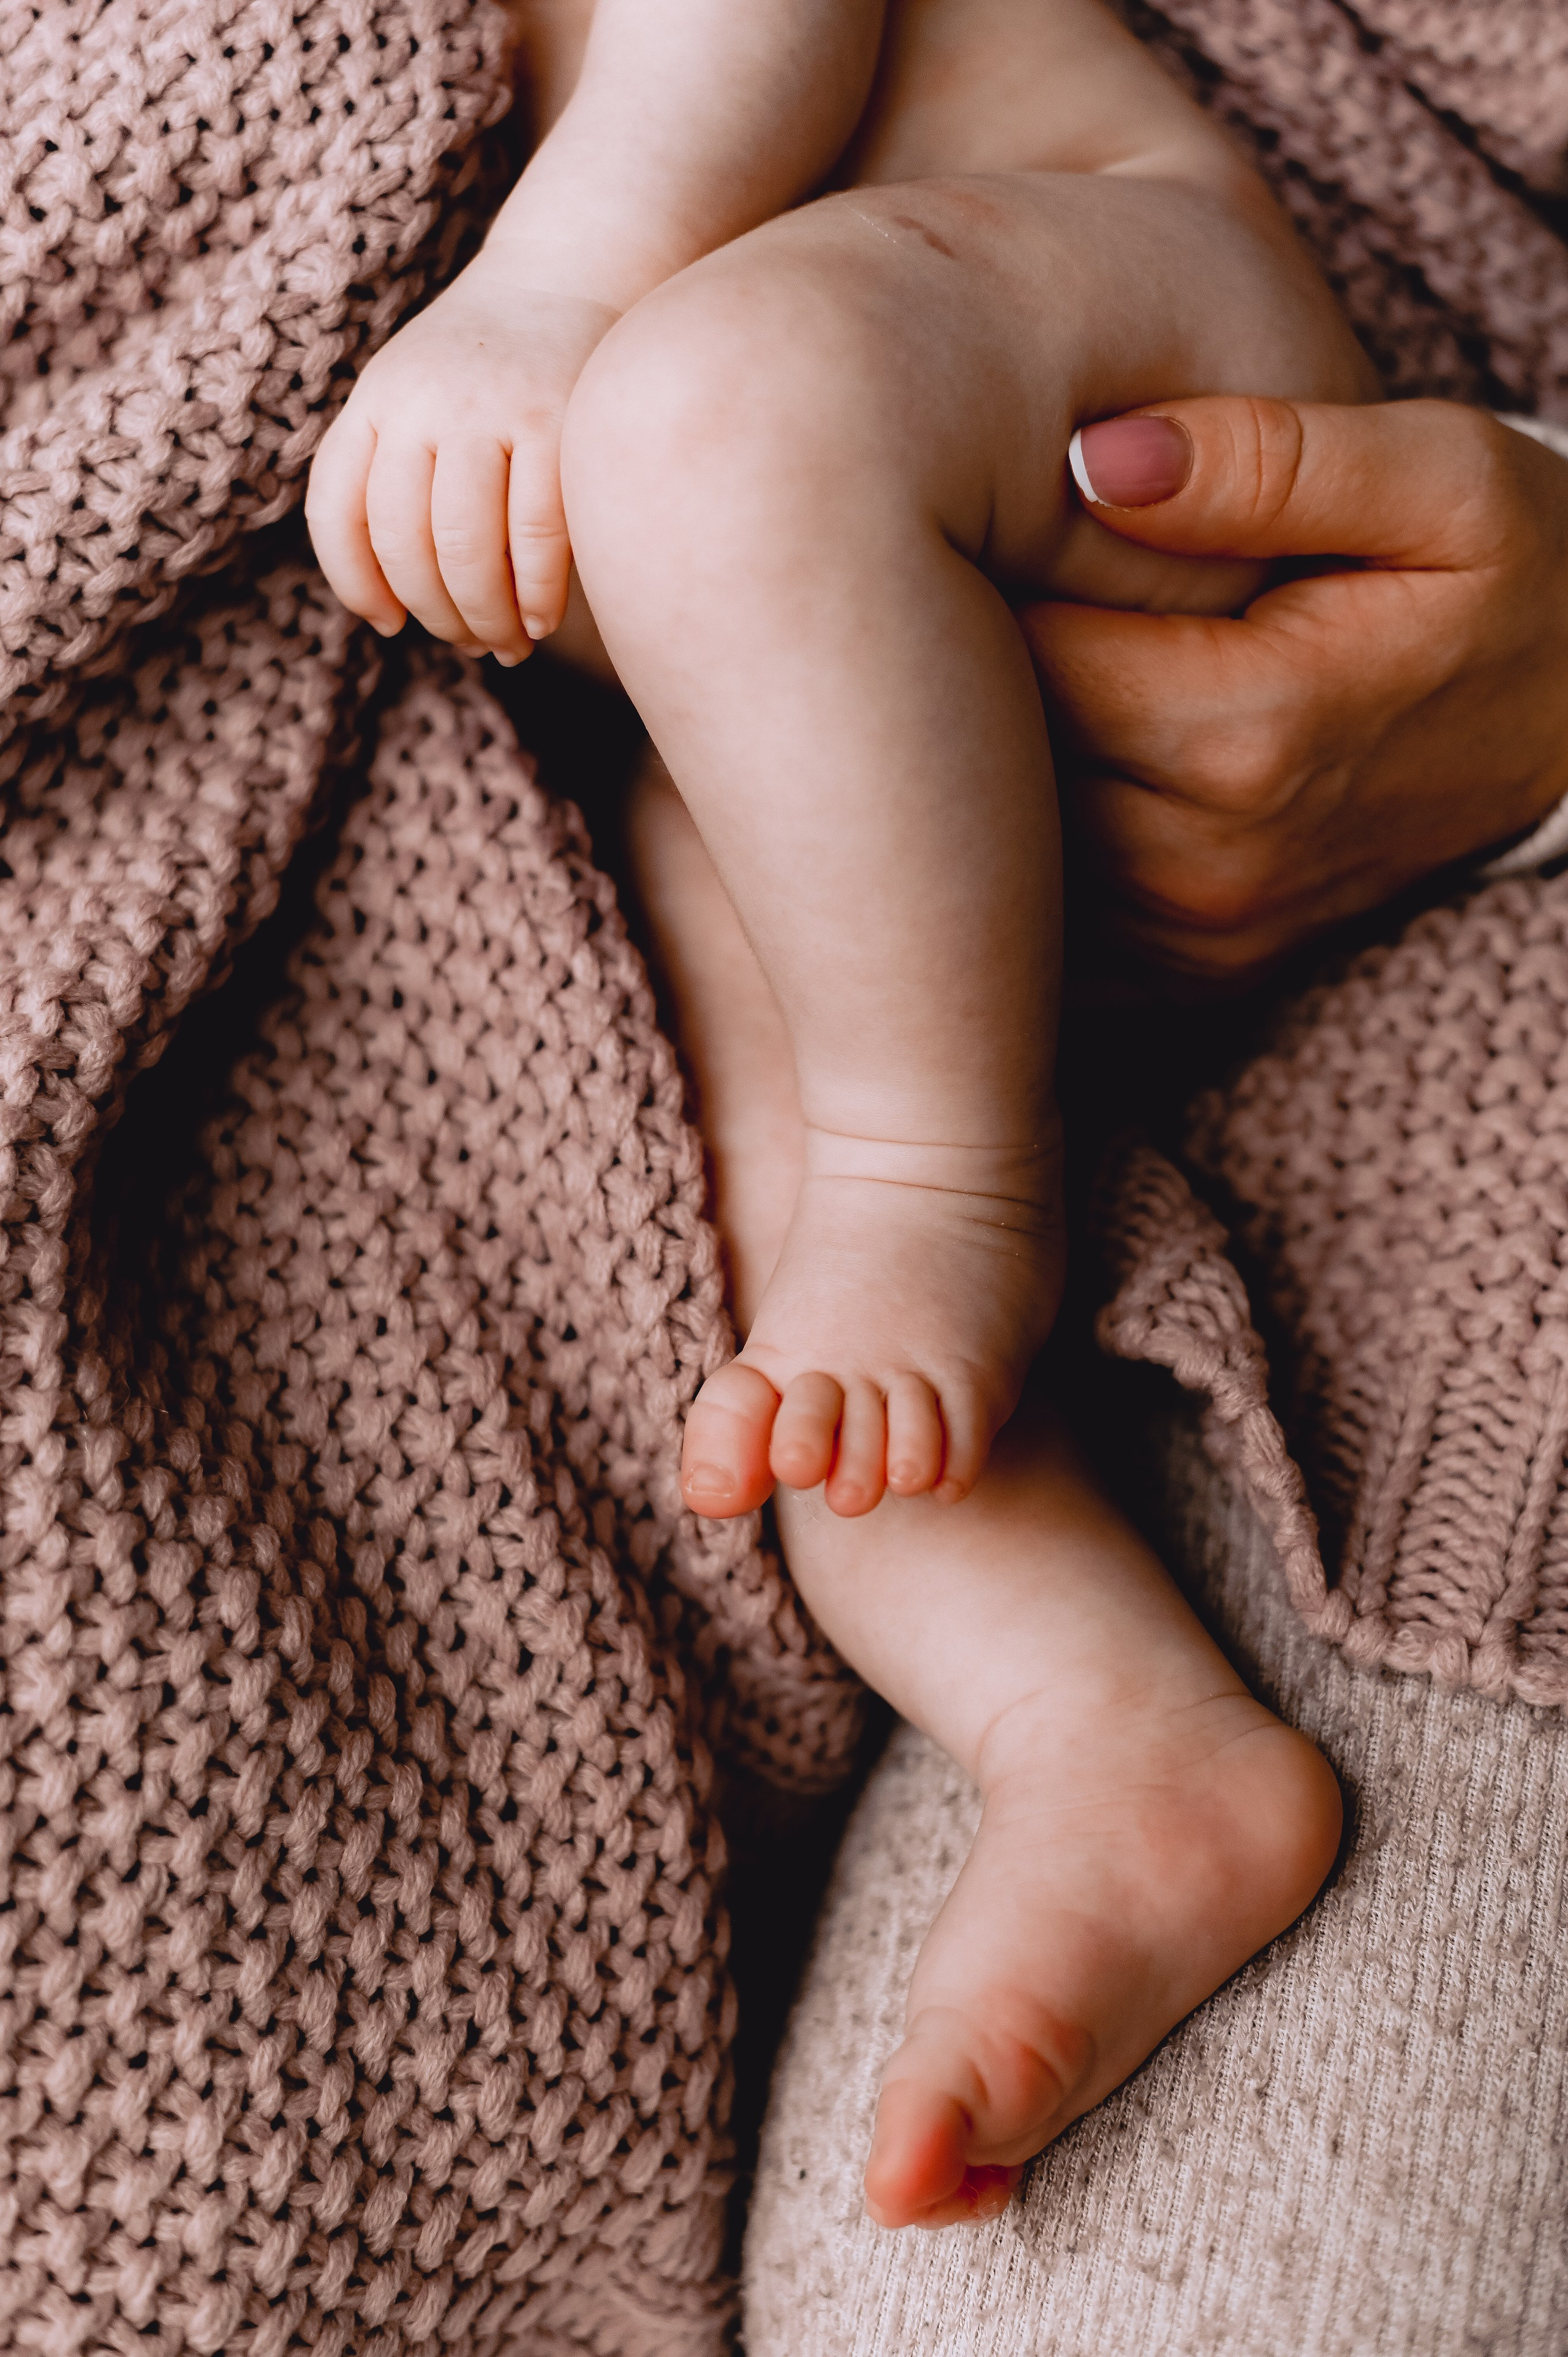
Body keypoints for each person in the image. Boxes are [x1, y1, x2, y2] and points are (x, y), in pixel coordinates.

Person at [306, 0, 1384, 2230]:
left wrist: (558, 292)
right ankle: (1111, 1735)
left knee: (717, 405)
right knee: (752, 1257)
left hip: (1104, 331)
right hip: (798, 669)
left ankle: (943, 1172)